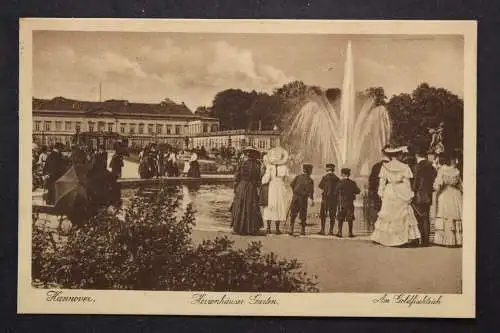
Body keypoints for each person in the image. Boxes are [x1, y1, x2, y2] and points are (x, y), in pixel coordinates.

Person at [371, 146, 421, 247]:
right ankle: (402, 239)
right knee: (402, 214)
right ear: (399, 155)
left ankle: (385, 238)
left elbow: (382, 183)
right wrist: (409, 195)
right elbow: (407, 184)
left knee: (388, 214)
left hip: (389, 191)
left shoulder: (385, 166)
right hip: (401, 190)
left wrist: (381, 194)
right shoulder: (405, 167)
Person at [231, 146, 264, 235]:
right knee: (251, 206)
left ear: (247, 154)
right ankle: (251, 228)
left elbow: (237, 176)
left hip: (242, 186)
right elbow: (258, 178)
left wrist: (235, 187)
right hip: (251, 187)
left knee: (240, 205)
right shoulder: (258, 164)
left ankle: (239, 227)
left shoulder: (242, 163)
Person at [432, 154, 463, 246]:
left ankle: (445, 240)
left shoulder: (442, 170)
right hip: (456, 194)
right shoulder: (456, 171)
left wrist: (436, 189)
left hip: (445, 193)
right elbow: (460, 184)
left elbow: (438, 184)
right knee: (455, 216)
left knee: (445, 215)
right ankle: (457, 240)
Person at [262, 146, 291, 235]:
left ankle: (268, 228)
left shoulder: (270, 167)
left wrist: (264, 177)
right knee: (279, 206)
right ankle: (278, 228)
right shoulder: (285, 168)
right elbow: (287, 181)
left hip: (272, 187)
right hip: (281, 187)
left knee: (270, 206)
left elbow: (265, 180)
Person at [413, 147, 438, 247]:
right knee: (426, 217)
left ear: (417, 155)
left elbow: (415, 183)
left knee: (418, 217)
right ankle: (426, 241)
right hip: (428, 194)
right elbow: (434, 179)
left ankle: (420, 240)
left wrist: (412, 191)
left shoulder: (416, 167)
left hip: (418, 195)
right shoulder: (431, 167)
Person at [368, 146, 390, 229]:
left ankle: (379, 230)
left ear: (382, 153)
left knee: (379, 212)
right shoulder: (396, 166)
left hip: (378, 193)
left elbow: (371, 181)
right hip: (392, 194)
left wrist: (373, 193)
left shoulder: (376, 166)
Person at [289, 163, 314, 236]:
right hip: (303, 199)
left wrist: (295, 192)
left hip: (295, 197)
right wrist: (311, 199)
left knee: (293, 213)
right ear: (309, 171)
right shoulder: (310, 180)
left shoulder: (298, 177)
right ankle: (302, 230)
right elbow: (311, 191)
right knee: (303, 214)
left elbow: (292, 185)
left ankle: (291, 229)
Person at [334, 168, 360, 238]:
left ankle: (339, 232)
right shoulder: (352, 183)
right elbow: (357, 191)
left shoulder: (340, 182)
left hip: (341, 202)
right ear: (349, 174)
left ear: (342, 174)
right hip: (350, 202)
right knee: (350, 217)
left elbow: (335, 192)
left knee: (340, 217)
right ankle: (350, 233)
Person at [318, 163, 340, 235]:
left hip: (325, 198)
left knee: (323, 214)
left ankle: (323, 230)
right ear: (333, 170)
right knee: (332, 215)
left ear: (327, 169)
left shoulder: (325, 177)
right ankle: (331, 231)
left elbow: (320, 186)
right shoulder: (337, 178)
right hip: (334, 199)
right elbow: (338, 189)